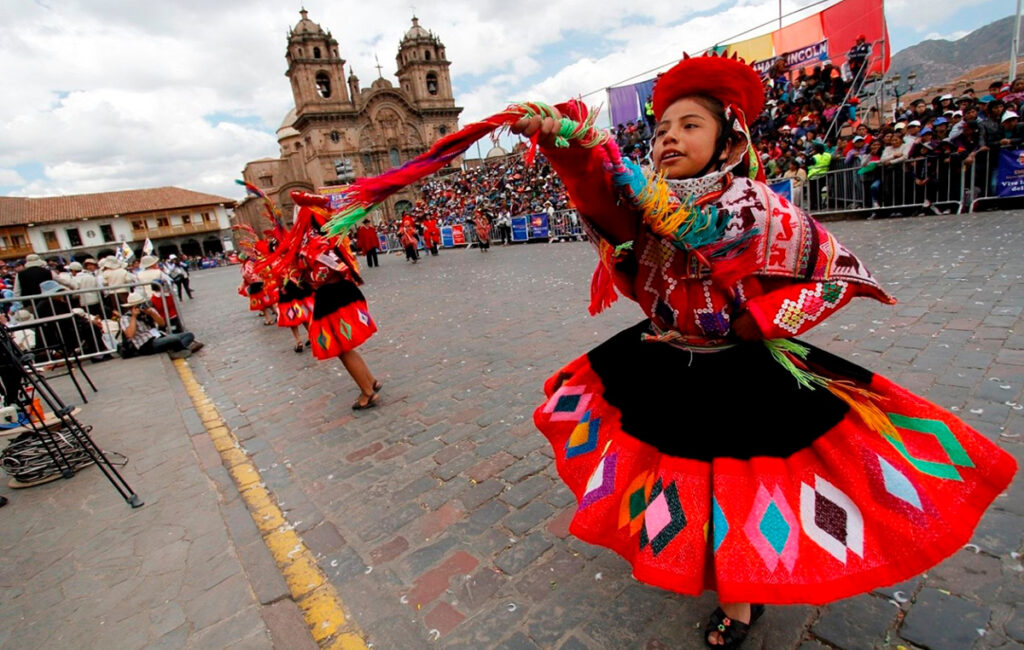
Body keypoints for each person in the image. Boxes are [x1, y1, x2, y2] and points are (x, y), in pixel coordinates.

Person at [509, 53, 1015, 649]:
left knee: (738, 490)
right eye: (661, 129)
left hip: (742, 372)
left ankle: (741, 603)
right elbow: (595, 193)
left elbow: (842, 274)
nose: (669, 136)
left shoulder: (768, 211)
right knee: (676, 474)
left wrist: (769, 316)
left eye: (690, 125)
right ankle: (697, 558)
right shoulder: (642, 202)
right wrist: (562, 144)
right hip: (667, 359)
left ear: (730, 142)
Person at [264, 191, 382, 409]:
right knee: (345, 346)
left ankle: (367, 392)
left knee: (341, 348)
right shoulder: (328, 236)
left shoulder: (316, 243)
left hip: (332, 296)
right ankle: (371, 381)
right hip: (342, 293)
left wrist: (303, 278)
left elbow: (322, 274)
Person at [118, 290, 203, 359]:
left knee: (188, 335)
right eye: (137, 306)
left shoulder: (148, 311)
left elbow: (162, 324)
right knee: (174, 339)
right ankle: (182, 349)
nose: (141, 307)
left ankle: (176, 351)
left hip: (158, 337)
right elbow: (130, 335)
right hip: (146, 344)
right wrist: (134, 317)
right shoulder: (126, 318)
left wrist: (151, 313)